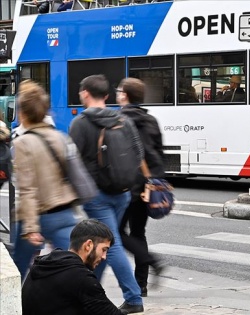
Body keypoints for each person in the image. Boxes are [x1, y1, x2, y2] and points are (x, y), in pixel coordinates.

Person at [69, 74, 144, 314]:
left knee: (110, 245)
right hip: (123, 192)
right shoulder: (122, 118)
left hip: (96, 195)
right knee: (105, 240)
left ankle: (133, 298)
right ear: (108, 96)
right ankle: (91, 290)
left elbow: (72, 162)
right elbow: (138, 153)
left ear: (85, 94)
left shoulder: (80, 123)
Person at [11, 80, 78, 279]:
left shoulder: (23, 143)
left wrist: (31, 228)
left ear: (23, 113)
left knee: (19, 270)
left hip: (38, 216)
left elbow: (27, 189)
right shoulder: (59, 136)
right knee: (72, 267)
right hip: (64, 211)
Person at [116, 78, 165, 297]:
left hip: (128, 186)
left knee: (116, 232)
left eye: (119, 91)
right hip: (149, 186)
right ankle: (141, 284)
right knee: (138, 232)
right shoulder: (151, 120)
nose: (117, 94)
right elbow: (159, 153)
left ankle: (150, 260)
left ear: (125, 95)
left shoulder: (120, 120)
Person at [22, 219, 123, 315]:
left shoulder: (44, 263)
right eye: (104, 250)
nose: (104, 257)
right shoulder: (81, 278)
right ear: (88, 245)